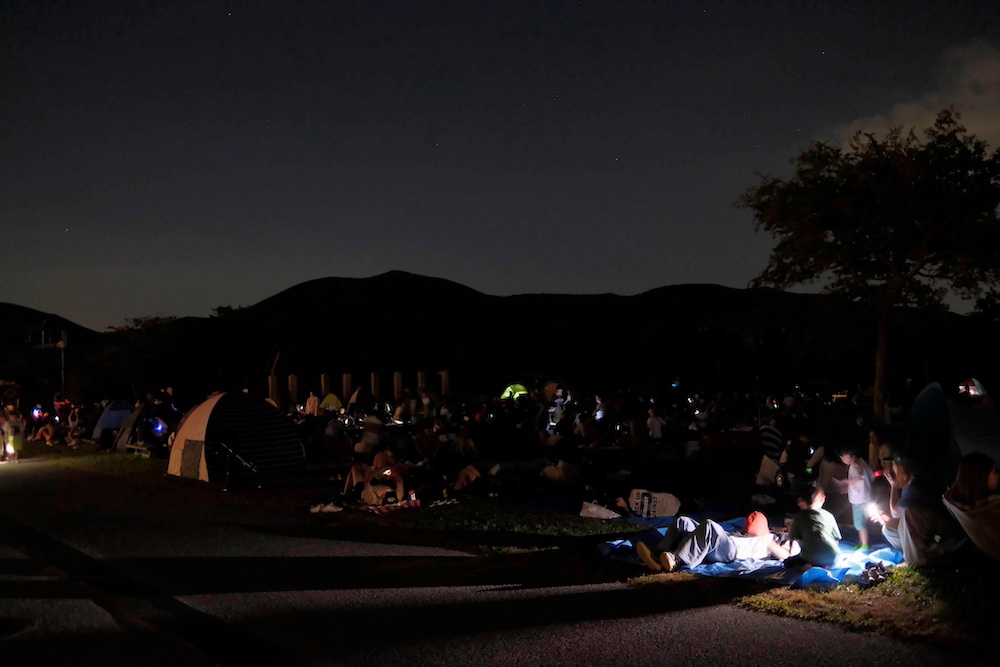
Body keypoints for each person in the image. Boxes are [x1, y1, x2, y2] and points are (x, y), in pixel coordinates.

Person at [635, 512, 790, 573]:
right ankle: (656, 555)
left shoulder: (778, 540)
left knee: (709, 526)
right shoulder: (752, 533)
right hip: (729, 539)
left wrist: (766, 537)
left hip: (732, 551)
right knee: (683, 521)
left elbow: (786, 555)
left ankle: (676, 561)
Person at [886, 452, 960, 567]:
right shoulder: (910, 484)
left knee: (907, 512)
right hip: (927, 527)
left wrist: (893, 486)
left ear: (902, 469)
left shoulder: (916, 486)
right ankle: (923, 551)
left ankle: (916, 560)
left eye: (894, 466)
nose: (891, 469)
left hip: (940, 530)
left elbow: (895, 513)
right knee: (888, 528)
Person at [942, 452, 1000, 560]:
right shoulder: (990, 511)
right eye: (994, 472)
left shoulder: (953, 501)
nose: (998, 476)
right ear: (981, 478)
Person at [786, 484, 842, 569]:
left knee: (788, 563)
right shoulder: (829, 515)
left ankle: (806, 568)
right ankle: (826, 566)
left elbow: (792, 541)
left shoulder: (799, 518)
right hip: (834, 557)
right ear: (823, 498)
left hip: (810, 558)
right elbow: (836, 540)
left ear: (801, 501)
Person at [834, 445, 874, 551]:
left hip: (859, 500)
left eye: (842, 457)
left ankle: (864, 544)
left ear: (847, 455)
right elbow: (871, 476)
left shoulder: (854, 466)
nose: (842, 460)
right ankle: (862, 543)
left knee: (859, 523)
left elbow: (859, 479)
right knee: (861, 522)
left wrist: (845, 482)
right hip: (865, 497)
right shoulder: (862, 462)